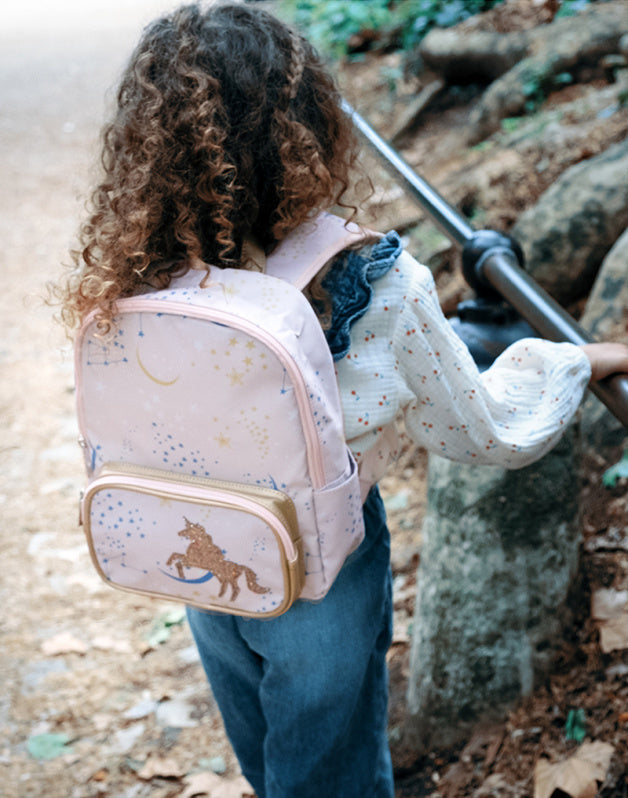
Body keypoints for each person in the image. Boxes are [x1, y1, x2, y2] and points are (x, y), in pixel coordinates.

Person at [58, 3, 628, 796]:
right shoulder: (375, 284)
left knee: (274, 767)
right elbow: (482, 429)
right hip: (323, 572)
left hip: (191, 556)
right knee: (334, 774)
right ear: (311, 126)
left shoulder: (141, 273)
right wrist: (572, 360)